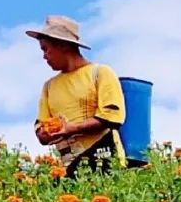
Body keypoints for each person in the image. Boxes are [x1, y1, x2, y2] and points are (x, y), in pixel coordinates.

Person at [27, 15, 126, 177]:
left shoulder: (100, 73)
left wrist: (71, 129)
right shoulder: (49, 86)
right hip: (68, 163)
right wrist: (44, 133)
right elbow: (41, 126)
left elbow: (112, 117)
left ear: (63, 45)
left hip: (102, 155)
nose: (44, 56)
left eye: (46, 49)